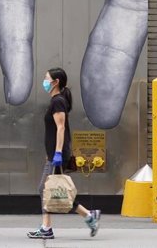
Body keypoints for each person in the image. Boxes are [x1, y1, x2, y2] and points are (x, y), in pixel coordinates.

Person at [26, 67, 101, 239]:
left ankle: (47, 228)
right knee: (56, 190)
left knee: (45, 189)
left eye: (46, 78)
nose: (44, 81)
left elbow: (61, 128)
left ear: (55, 82)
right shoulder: (56, 100)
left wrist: (57, 153)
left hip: (58, 155)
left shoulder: (58, 101)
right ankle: (90, 217)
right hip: (54, 154)